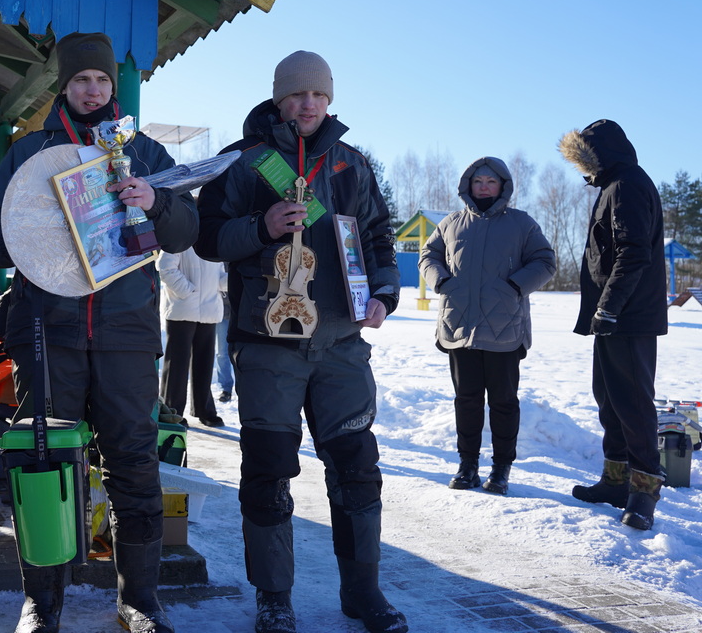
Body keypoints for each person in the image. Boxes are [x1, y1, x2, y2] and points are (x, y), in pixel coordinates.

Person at [0, 32, 198, 633]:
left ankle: (139, 601)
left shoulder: (145, 153)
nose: (92, 90)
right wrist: (30, 227)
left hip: (126, 333)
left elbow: (186, 231)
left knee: (134, 463)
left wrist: (156, 200)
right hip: (49, 333)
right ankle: (42, 602)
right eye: (81, 80)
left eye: (102, 80)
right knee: (44, 461)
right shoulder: (30, 152)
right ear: (64, 86)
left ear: (113, 86)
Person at [196, 50, 407, 633]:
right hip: (268, 344)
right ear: (279, 98)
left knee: (357, 468)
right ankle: (274, 597)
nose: (308, 104)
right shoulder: (244, 162)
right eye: (296, 94)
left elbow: (378, 236)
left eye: (318, 94)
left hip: (341, 343)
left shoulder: (350, 164)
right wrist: (260, 228)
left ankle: (363, 591)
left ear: (329, 99)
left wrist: (384, 291)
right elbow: (206, 238)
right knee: (267, 472)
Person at [418, 157, 556, 496]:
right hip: (459, 325)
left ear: (502, 186)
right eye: (478, 181)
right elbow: (428, 255)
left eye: (490, 182)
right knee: (466, 400)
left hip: (504, 327)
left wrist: (515, 286)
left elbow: (545, 261)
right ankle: (467, 466)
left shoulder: (521, 224)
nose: (483, 187)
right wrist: (442, 282)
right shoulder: (451, 223)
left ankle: (501, 468)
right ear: (468, 185)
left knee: (503, 402)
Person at [559, 120, 668, 530]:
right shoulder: (614, 186)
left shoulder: (626, 186)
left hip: (628, 316)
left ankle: (644, 493)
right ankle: (616, 481)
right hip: (616, 317)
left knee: (634, 404)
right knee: (610, 399)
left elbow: (633, 252)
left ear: (601, 154)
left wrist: (608, 308)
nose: (583, 168)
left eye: (585, 159)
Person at [157, 245, 224, 427]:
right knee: (177, 364)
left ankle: (205, 410)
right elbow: (164, 267)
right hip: (182, 308)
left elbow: (219, 274)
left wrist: (228, 281)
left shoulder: (212, 238)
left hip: (209, 308)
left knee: (205, 363)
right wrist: (187, 291)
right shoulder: (179, 237)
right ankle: (172, 411)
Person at [215, 265, 235, 403]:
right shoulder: (217, 260)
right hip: (220, 311)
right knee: (222, 353)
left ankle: (245, 386)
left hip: (239, 310)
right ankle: (226, 388)